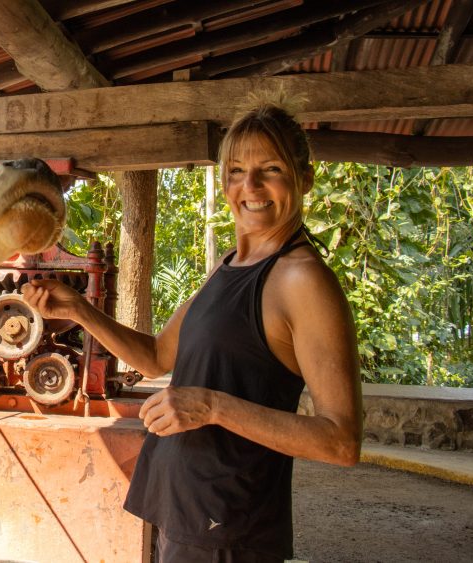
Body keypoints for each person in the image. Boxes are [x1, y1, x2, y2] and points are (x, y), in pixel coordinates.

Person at [22, 97, 362, 562]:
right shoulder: (229, 264)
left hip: (230, 526)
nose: (251, 186)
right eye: (237, 171)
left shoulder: (302, 279)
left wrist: (211, 405)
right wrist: (81, 311)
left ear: (303, 179)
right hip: (184, 509)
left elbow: (341, 441)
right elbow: (159, 357)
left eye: (272, 169)